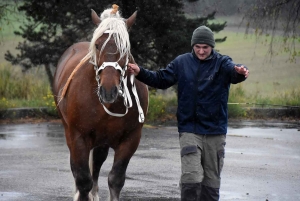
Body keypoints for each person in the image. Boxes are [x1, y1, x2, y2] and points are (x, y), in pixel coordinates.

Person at [127, 25, 249, 201]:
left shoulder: (221, 63)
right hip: (189, 129)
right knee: (191, 177)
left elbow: (234, 71)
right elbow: (161, 79)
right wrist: (140, 72)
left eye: (205, 47)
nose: (201, 51)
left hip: (215, 130)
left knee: (211, 181)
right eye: (197, 47)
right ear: (193, 46)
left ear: (212, 47)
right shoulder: (181, 62)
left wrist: (240, 71)